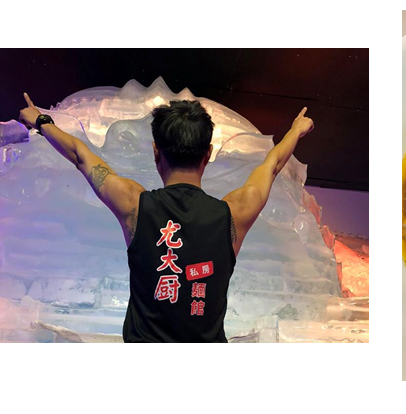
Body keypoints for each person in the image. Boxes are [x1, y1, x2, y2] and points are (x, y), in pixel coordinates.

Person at [16, 93, 315, 342]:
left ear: (155, 151)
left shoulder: (133, 203)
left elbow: (80, 155)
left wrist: (41, 120)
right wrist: (296, 130)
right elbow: (272, 164)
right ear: (208, 153)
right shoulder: (235, 212)